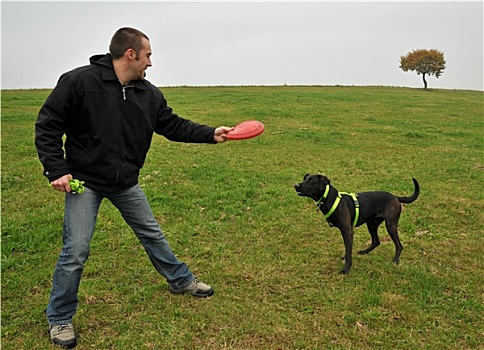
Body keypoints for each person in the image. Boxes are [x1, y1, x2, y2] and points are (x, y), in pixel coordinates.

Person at [35, 27, 232, 348]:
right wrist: (56, 169)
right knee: (76, 250)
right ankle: (59, 317)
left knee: (152, 233)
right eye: (148, 55)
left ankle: (181, 281)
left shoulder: (148, 94)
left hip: (125, 182)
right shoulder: (79, 82)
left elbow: (173, 125)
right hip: (84, 181)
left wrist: (211, 133)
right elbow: (48, 124)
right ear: (131, 54)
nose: (150, 63)